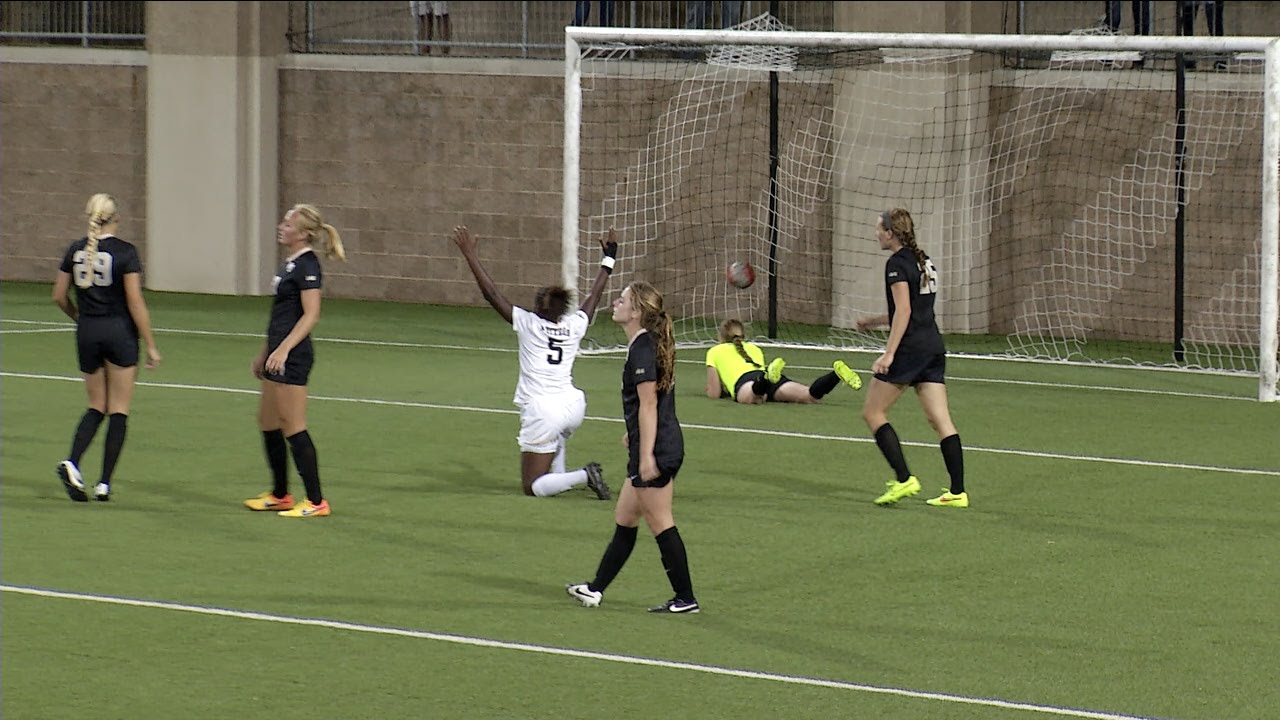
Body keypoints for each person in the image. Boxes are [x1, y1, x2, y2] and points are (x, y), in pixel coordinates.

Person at [452, 224, 617, 500]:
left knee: (532, 486)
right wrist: (609, 258)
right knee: (556, 440)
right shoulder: (574, 324)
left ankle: (584, 475)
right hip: (573, 405)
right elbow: (594, 296)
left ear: (539, 308)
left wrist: (470, 255)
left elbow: (491, 294)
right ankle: (562, 476)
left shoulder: (529, 324)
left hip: (544, 410)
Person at [566, 282, 699, 614]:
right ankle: (595, 589)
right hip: (654, 442)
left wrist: (645, 456)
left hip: (657, 450)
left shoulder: (642, 349)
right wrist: (634, 435)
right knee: (625, 517)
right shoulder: (647, 344)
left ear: (636, 311)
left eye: (622, 300)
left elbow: (649, 404)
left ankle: (685, 598)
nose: (616, 302)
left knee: (661, 522)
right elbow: (651, 406)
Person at [52, 193, 162, 503]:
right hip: (119, 332)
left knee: (95, 405)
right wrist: (151, 345)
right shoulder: (126, 252)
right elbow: (135, 302)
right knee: (119, 409)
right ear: (117, 218)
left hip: (87, 331)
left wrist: (80, 318)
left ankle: (73, 462)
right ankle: (103, 483)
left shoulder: (75, 250)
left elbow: (59, 295)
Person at [856, 208, 968, 509]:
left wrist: (888, 354)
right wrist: (876, 320)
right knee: (940, 420)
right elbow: (914, 309)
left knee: (873, 413)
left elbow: (904, 311)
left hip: (910, 350)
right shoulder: (923, 259)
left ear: (891, 233)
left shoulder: (895, 264)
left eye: (879, 228)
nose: (876, 233)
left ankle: (904, 478)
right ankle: (958, 492)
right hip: (932, 346)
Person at [243, 204, 346, 518]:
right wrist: (266, 351)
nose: (281, 226)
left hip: (294, 355)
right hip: (277, 352)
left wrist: (284, 349)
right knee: (268, 422)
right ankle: (280, 494)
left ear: (303, 234)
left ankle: (316, 501)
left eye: (288, 224)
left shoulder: (307, 265)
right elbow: (280, 316)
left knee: (293, 426)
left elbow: (311, 315)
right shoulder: (288, 264)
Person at [704, 318, 862, 404]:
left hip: (746, 382)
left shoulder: (715, 351)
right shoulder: (754, 348)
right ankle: (835, 374)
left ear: (721, 336)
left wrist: (718, 390)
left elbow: (714, 393)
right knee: (809, 396)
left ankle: (765, 379)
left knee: (752, 398)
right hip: (764, 376)